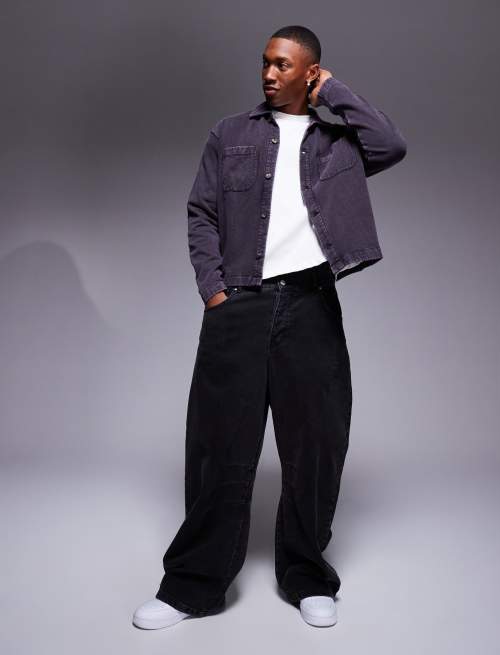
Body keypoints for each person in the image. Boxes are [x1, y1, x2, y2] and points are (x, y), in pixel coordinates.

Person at [133, 24, 407, 629]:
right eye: (265, 62)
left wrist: (334, 91)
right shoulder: (230, 134)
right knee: (218, 444)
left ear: (309, 72)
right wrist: (214, 288)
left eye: (283, 64)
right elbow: (201, 212)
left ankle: (307, 576)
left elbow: (390, 144)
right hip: (240, 302)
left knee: (316, 443)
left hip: (311, 302)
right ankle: (192, 585)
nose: (269, 73)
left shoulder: (337, 142)